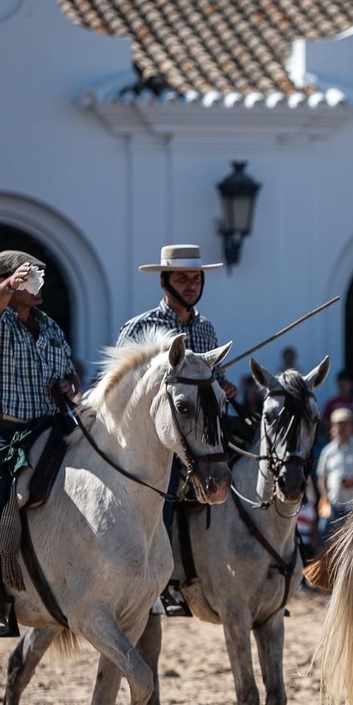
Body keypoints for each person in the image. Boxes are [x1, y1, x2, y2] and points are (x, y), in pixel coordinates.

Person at [0, 248, 77, 638]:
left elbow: (67, 373)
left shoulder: (50, 327)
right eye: (30, 277)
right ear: (7, 282)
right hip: (3, 431)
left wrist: (68, 385)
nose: (38, 284)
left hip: (49, 425)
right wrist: (8, 287)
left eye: (37, 277)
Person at [118, 244, 235, 616]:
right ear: (165, 282)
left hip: (197, 435)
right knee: (165, 491)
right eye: (183, 278)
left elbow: (211, 382)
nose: (191, 285)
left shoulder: (206, 329)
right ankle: (162, 583)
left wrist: (224, 388)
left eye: (196, 279)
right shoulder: (139, 328)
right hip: (151, 443)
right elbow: (120, 390)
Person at [316, 408, 353, 540]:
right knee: (324, 541)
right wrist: (324, 498)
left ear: (351, 426)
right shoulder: (328, 451)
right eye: (338, 424)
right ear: (333, 426)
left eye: (345, 424)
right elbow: (321, 478)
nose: (341, 428)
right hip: (333, 505)